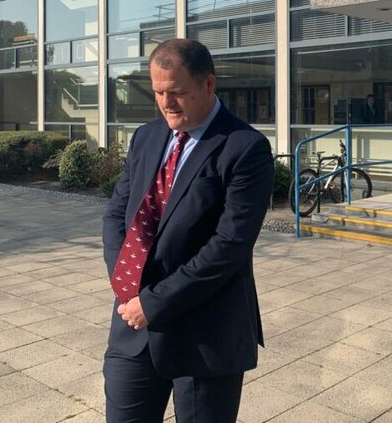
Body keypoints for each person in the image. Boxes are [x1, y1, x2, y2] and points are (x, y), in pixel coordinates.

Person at [102, 38, 274, 423]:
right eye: (159, 92)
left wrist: (156, 302)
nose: (166, 103)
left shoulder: (245, 148)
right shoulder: (146, 137)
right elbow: (117, 216)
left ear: (209, 85)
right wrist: (126, 286)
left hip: (205, 336)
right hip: (134, 329)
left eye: (177, 92)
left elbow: (229, 246)